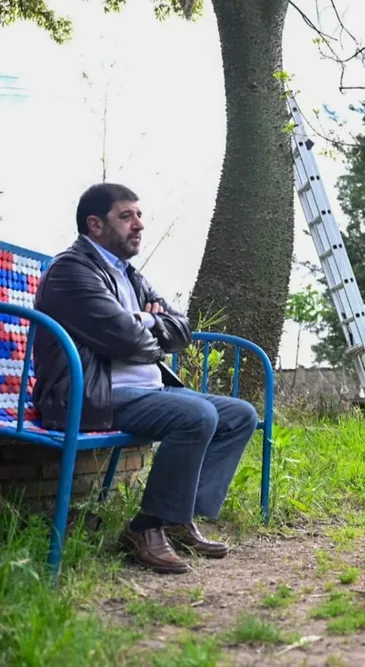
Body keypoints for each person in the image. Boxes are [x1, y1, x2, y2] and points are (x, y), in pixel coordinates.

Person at [33, 183, 260, 574]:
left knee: (239, 414)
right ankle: (146, 527)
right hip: (91, 395)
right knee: (195, 415)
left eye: (139, 215)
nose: (139, 224)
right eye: (126, 216)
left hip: (142, 392)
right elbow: (124, 338)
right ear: (95, 224)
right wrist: (149, 329)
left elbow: (181, 329)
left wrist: (149, 320)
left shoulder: (131, 276)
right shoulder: (71, 271)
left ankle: (177, 516)